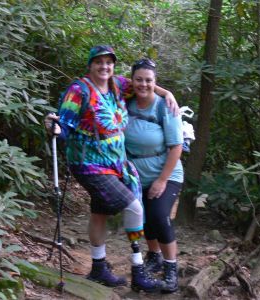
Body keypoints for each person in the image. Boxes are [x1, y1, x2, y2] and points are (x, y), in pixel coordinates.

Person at [45, 45, 178, 293]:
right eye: (99, 62)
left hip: (116, 163)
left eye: (109, 62)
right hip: (88, 164)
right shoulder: (79, 90)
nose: (104, 67)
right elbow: (65, 124)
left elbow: (143, 83)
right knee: (135, 208)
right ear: (90, 65)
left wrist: (166, 92)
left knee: (100, 214)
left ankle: (98, 268)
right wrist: (54, 127)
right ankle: (138, 271)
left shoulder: (117, 84)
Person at [124, 58, 183, 293]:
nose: (144, 84)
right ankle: (154, 255)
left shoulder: (164, 107)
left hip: (167, 173)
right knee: (143, 218)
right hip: (137, 175)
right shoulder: (125, 102)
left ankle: (171, 268)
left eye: (149, 80)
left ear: (155, 82)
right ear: (132, 81)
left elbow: (176, 147)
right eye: (139, 79)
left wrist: (162, 180)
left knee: (159, 216)